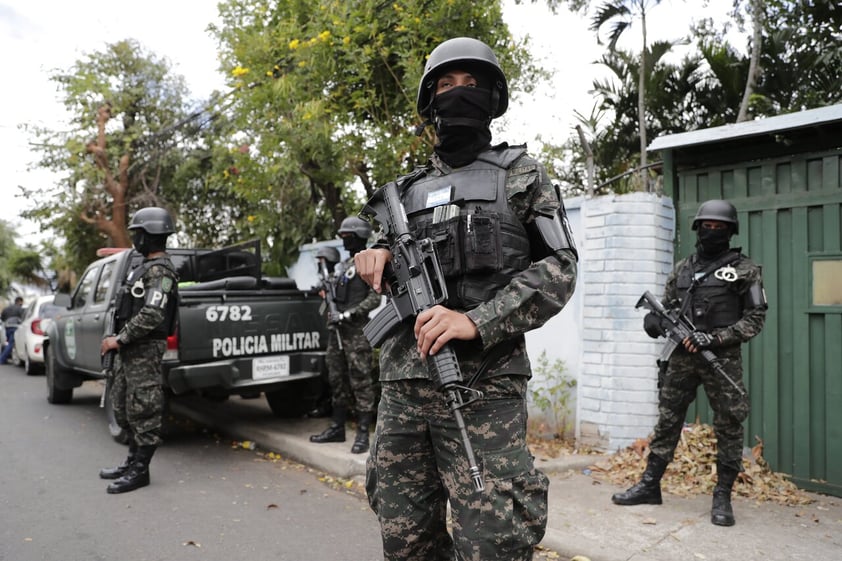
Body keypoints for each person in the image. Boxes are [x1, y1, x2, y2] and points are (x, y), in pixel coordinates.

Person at [354, 37, 578, 561]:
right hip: (404, 388)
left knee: (495, 540)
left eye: (471, 84)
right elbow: (382, 248)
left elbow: (560, 269)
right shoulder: (403, 192)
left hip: (484, 387)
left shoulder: (521, 174)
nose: (459, 94)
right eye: (447, 84)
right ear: (431, 101)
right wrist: (375, 253)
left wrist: (477, 321)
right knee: (405, 537)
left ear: (492, 98)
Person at [612, 199, 767, 527]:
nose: (712, 232)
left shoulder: (745, 269)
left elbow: (755, 318)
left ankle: (723, 494)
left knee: (729, 423)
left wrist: (715, 338)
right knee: (668, 419)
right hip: (681, 355)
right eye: (707, 226)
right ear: (698, 229)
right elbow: (666, 307)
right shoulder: (682, 269)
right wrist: (653, 322)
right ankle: (650, 485)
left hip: (720, 357)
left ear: (730, 231)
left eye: (720, 228)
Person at [99, 206, 179, 494]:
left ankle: (140, 471)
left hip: (143, 350)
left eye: (138, 234)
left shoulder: (161, 271)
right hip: (131, 349)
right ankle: (131, 461)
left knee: (144, 409)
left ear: (151, 236)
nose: (135, 239)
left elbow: (152, 315)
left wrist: (119, 340)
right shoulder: (143, 266)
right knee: (125, 407)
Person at [310, 217, 382, 454]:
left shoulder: (369, 262)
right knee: (336, 378)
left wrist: (350, 314)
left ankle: (362, 434)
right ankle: (337, 427)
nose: (344, 241)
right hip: (336, 333)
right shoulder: (343, 266)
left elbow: (375, 297)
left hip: (356, 332)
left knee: (360, 381)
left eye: (347, 237)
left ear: (358, 237)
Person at [0, 296, 25, 364]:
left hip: (7, 327)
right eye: (22, 302)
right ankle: (1, 359)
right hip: (15, 327)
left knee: (8, 343)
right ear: (20, 301)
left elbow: (2, 318)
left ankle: (5, 358)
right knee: (11, 344)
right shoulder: (20, 309)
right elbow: (23, 319)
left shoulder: (6, 309)